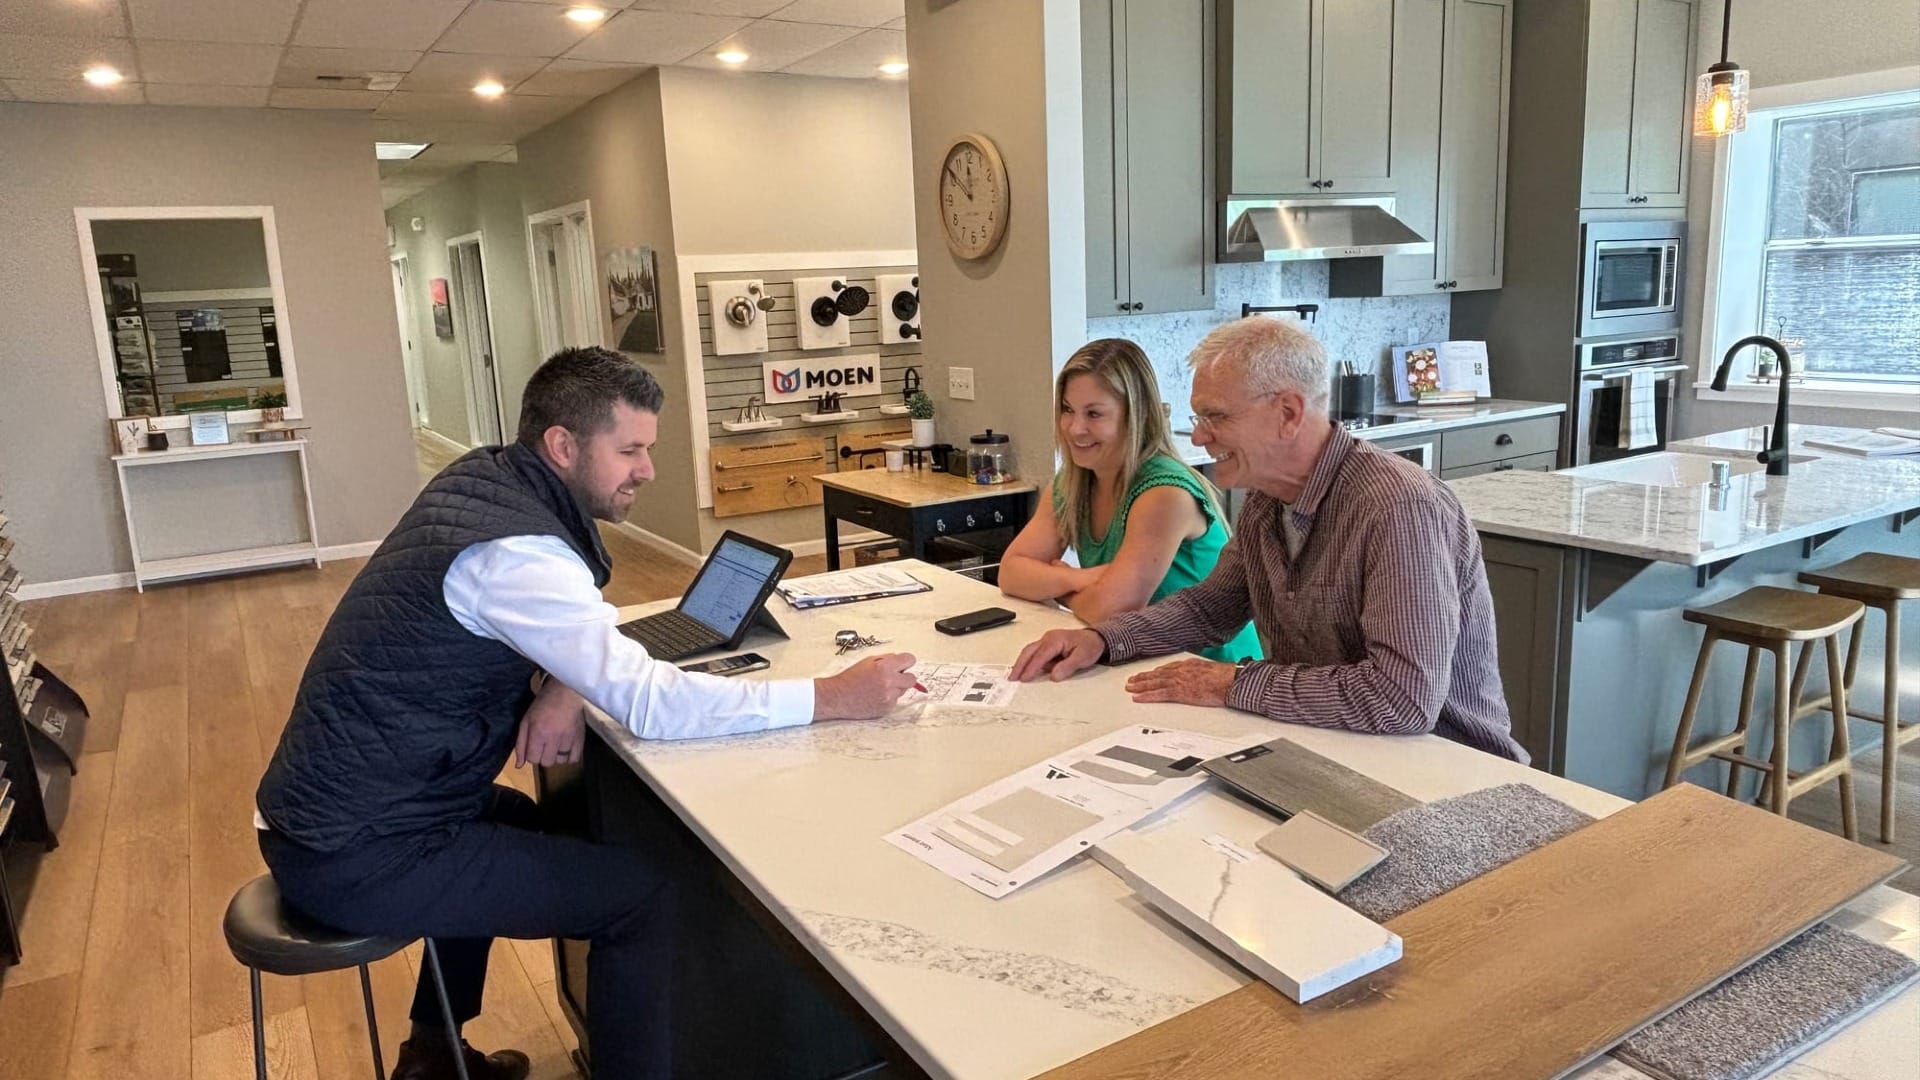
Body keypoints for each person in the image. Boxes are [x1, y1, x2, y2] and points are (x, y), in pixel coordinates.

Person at [254, 347, 918, 1080]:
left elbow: (555, 620)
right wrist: (831, 697)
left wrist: (562, 685)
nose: (647, 469)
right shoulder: (518, 551)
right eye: (629, 449)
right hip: (354, 852)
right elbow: (652, 702)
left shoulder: (486, 481)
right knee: (641, 899)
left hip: (335, 814)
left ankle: (433, 1055)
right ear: (563, 445)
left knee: (527, 828)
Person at [1009, 318, 1525, 763]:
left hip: (1447, 768)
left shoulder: (1397, 507)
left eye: (1216, 416)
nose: (1200, 436)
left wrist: (1231, 683)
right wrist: (1104, 639)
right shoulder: (1266, 498)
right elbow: (1209, 608)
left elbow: (1400, 701)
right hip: (1335, 747)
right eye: (1199, 417)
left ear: (1288, 413)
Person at [998, 338, 1260, 663]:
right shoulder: (1073, 482)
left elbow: (1111, 612)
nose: (1075, 428)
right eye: (1068, 410)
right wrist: (1080, 578)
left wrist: (1056, 586)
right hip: (1139, 660)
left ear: (1135, 417)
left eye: (1094, 414)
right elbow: (1010, 572)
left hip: (1214, 669)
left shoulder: (1164, 493)